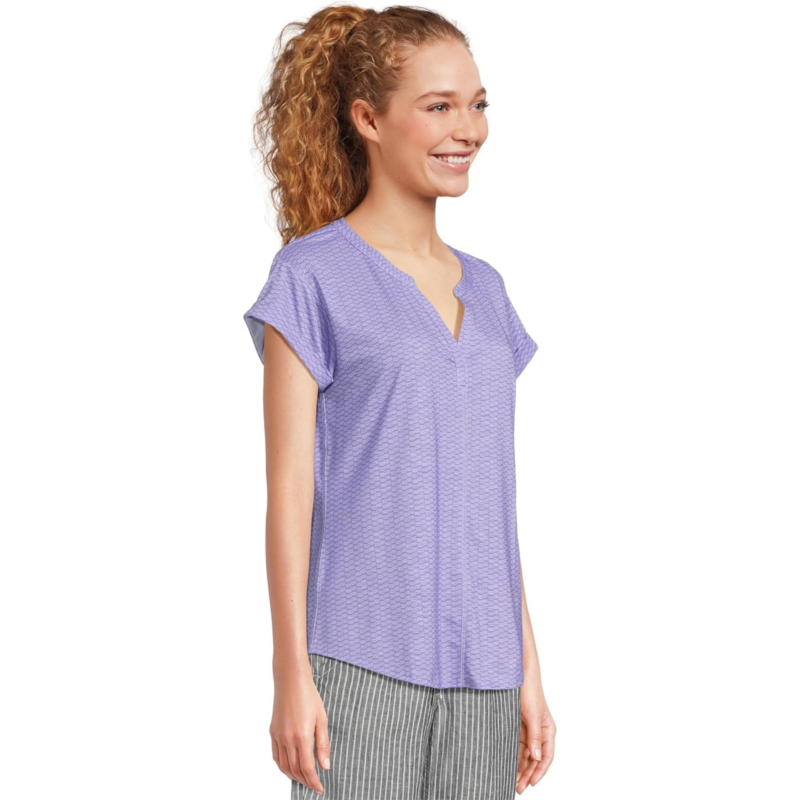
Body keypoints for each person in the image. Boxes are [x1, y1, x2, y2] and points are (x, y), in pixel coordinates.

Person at [242, 5, 556, 797]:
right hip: (360, 665)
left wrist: (528, 668)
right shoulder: (311, 277)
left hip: (487, 676)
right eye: (439, 106)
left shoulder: (489, 292)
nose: (468, 129)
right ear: (369, 119)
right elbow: (289, 494)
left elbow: (493, 500)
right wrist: (290, 673)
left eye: (477, 104)